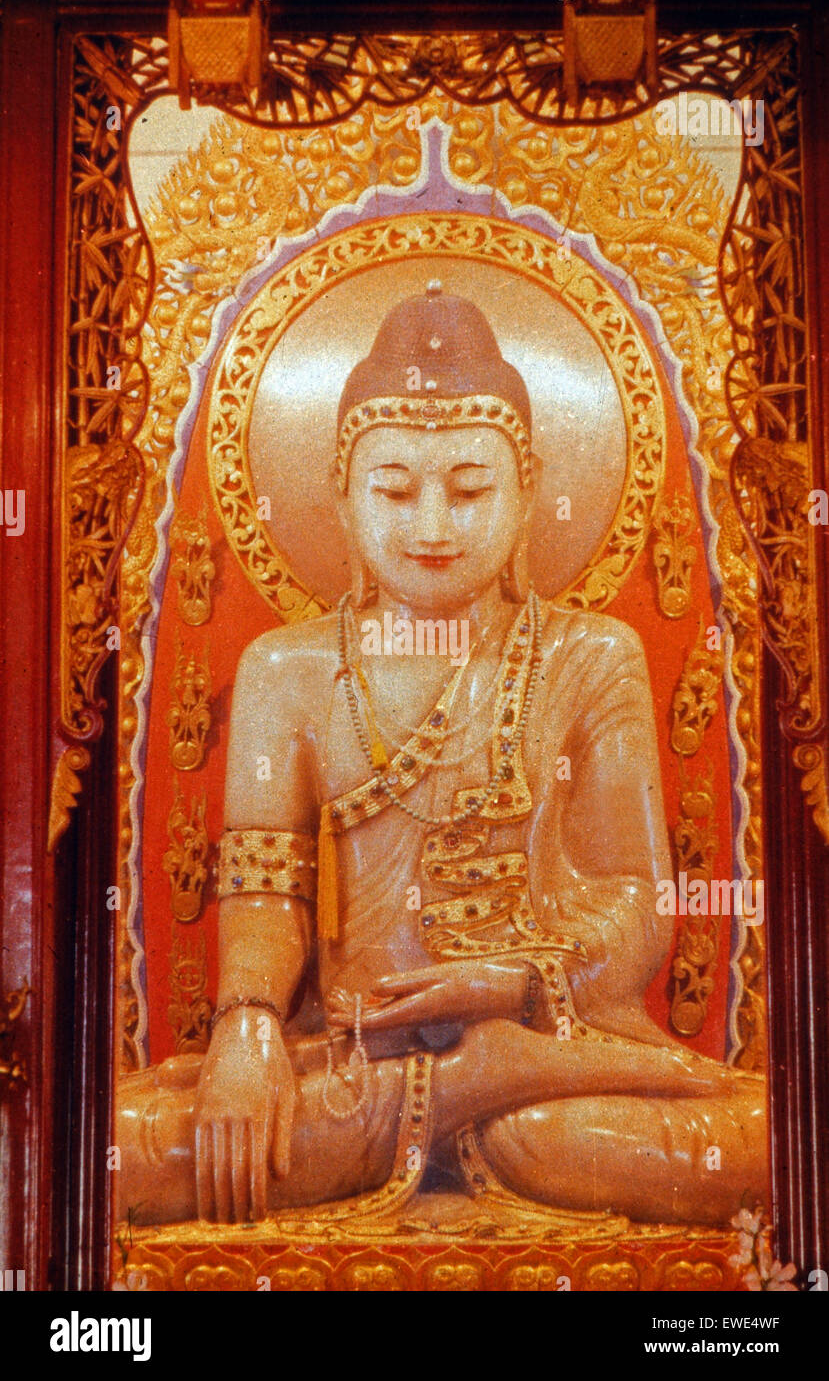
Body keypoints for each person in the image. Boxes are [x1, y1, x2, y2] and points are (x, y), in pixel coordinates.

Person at [117, 281, 765, 1227]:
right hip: (351, 1052)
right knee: (114, 1152)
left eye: (469, 490)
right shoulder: (286, 670)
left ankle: (485, 1082)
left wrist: (512, 986)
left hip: (561, 1064)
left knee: (772, 1142)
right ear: (342, 495)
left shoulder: (590, 657)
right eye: (393, 489)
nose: (430, 526)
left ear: (528, 490)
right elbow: (264, 891)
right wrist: (247, 1032)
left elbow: (637, 904)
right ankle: (466, 1087)